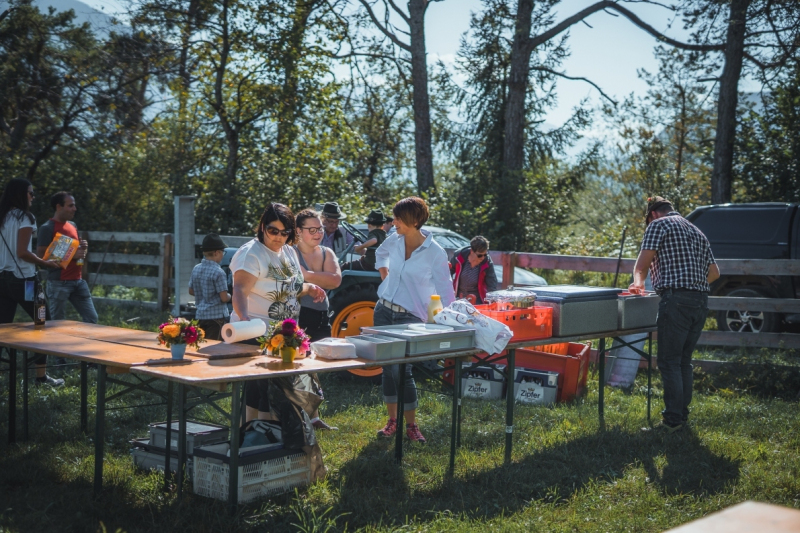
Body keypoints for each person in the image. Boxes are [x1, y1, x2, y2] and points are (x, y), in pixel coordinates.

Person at [630, 196, 719, 433]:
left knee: (669, 362)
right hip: (700, 301)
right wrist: (693, 283)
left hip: (676, 300)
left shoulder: (657, 226)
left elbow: (641, 265)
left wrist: (637, 284)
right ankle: (681, 416)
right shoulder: (696, 230)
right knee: (683, 362)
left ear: (653, 215)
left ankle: (672, 421)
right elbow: (714, 273)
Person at [229, 203, 325, 423]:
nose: (278, 237)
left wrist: (309, 288)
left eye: (285, 232)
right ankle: (253, 431)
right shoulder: (250, 254)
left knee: (280, 385)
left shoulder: (289, 251)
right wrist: (245, 321)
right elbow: (240, 290)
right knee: (259, 387)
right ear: (263, 227)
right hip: (256, 331)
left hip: (285, 332)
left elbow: (288, 285)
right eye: (273, 231)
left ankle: (280, 429)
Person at [374, 197, 455, 444]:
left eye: (398, 218)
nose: (393, 222)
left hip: (410, 318)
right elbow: (380, 253)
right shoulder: (395, 240)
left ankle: (411, 425)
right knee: (388, 369)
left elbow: (446, 290)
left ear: (416, 220)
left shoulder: (435, 253)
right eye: (394, 217)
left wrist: (454, 321)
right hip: (383, 311)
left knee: (403, 371)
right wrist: (385, 280)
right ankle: (392, 421)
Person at [0, 179, 64, 386]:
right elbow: (22, 252)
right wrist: (45, 262)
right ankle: (40, 377)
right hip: (25, 281)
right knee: (42, 322)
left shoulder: (3, 216)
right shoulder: (26, 217)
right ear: (21, 194)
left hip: (3, 280)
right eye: (30, 193)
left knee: (2, 328)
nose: (33, 197)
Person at [294, 208, 342, 430]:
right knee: (296, 365)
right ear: (298, 231)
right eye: (311, 229)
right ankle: (296, 415)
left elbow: (335, 281)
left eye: (319, 228)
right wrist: (320, 277)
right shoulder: (289, 252)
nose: (317, 233)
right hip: (297, 315)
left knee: (314, 366)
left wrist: (308, 275)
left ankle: (312, 416)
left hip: (321, 315)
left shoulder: (327, 252)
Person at [36, 191, 97, 325]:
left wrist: (82, 248)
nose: (74, 209)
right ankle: (53, 346)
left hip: (78, 281)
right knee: (56, 325)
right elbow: (41, 258)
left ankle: (82, 345)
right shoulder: (47, 228)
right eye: (71, 206)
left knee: (92, 319)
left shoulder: (73, 225)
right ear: (59, 207)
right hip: (59, 283)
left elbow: (73, 249)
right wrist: (72, 256)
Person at [188, 233, 231, 341]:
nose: (223, 255)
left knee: (201, 344)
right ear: (217, 252)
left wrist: (202, 293)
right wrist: (231, 296)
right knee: (213, 348)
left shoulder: (196, 268)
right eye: (223, 252)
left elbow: (191, 291)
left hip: (200, 316)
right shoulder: (219, 272)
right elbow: (224, 298)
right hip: (216, 318)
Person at [450, 235, 498, 304]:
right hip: (458, 298)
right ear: (472, 251)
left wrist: (492, 301)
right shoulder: (459, 256)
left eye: (485, 255)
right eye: (480, 255)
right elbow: (448, 272)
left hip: (478, 301)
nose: (483, 258)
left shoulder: (487, 262)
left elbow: (492, 285)